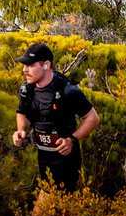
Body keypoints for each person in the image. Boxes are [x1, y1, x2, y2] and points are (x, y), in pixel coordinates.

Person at [11, 42, 100, 192]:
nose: (24, 69)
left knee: (50, 211)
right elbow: (22, 113)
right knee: (51, 210)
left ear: (46, 65)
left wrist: (71, 140)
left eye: (30, 65)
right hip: (43, 160)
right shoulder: (27, 89)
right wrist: (21, 130)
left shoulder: (68, 91)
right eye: (24, 65)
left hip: (66, 163)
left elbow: (93, 118)